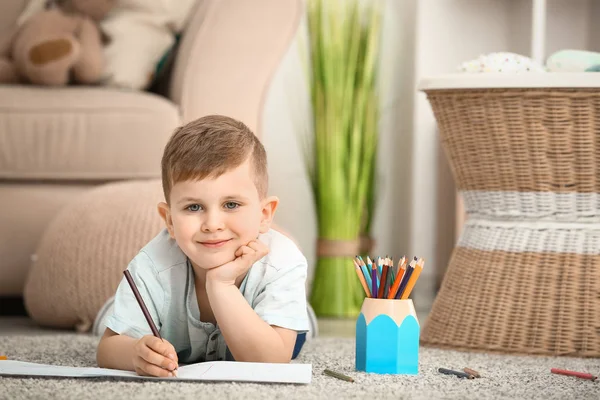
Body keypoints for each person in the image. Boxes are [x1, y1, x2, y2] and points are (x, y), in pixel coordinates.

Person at [95, 115, 315, 377]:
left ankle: (305, 312)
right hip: (156, 297)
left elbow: (270, 362)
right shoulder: (152, 265)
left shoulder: (281, 262)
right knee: (108, 320)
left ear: (265, 214)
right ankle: (114, 308)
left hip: (276, 318)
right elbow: (107, 349)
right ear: (170, 221)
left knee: (303, 320)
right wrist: (135, 353)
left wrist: (220, 285)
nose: (212, 224)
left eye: (231, 205)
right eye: (194, 207)